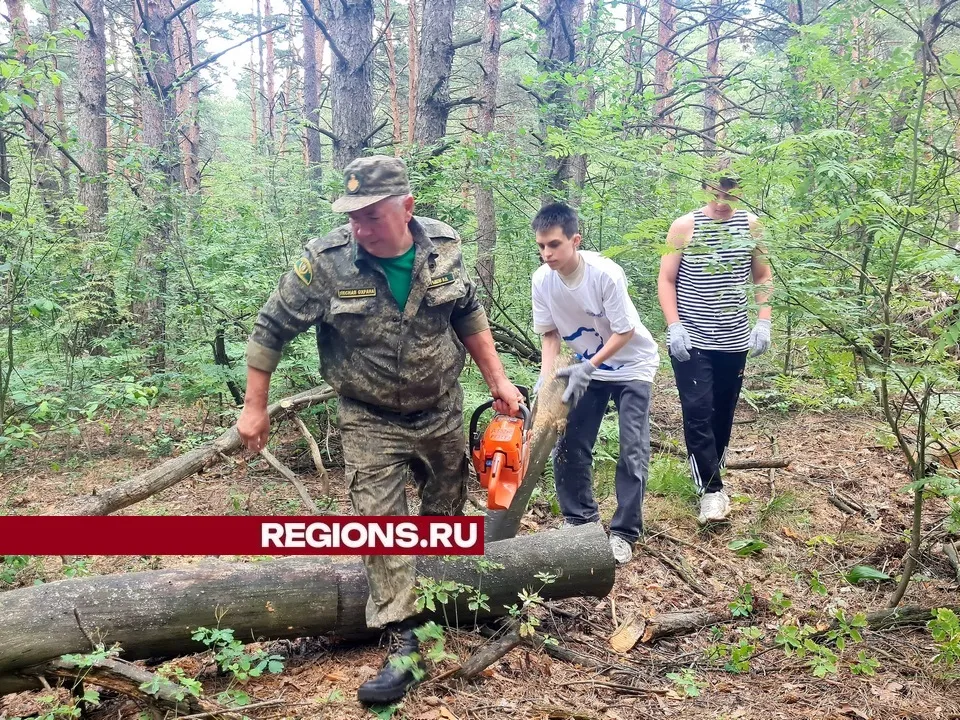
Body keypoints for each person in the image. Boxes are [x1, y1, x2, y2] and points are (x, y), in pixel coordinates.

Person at [237, 155, 523, 705]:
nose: (359, 228)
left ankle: (441, 592)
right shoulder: (325, 264)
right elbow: (270, 327)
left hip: (440, 407)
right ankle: (404, 639)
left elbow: (467, 312)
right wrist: (256, 407)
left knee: (444, 507)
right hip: (368, 415)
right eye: (352, 217)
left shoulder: (445, 247)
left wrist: (499, 381)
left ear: (407, 209)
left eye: (371, 216)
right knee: (380, 519)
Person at [531, 202, 659, 565]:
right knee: (569, 441)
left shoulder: (605, 274)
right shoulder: (542, 279)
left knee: (632, 446)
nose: (546, 254)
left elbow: (625, 330)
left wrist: (591, 365)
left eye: (554, 245)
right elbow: (551, 335)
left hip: (632, 365)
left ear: (575, 240)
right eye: (541, 246)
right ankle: (580, 520)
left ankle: (624, 533)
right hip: (583, 368)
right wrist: (547, 379)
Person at [657, 174, 774, 525]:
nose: (723, 198)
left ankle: (712, 463)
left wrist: (763, 321)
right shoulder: (685, 226)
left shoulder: (751, 226)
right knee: (698, 409)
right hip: (691, 338)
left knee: (722, 410)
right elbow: (667, 278)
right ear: (706, 188)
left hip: (734, 338)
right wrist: (674, 326)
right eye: (717, 190)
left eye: (732, 191)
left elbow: (763, 275)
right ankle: (711, 489)